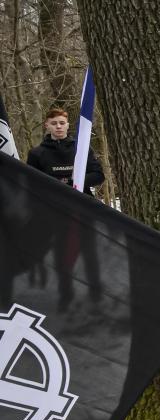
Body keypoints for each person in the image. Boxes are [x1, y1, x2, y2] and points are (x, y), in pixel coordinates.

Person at [26, 107, 105, 311]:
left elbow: (98, 175)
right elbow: (31, 184)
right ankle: (65, 295)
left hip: (83, 210)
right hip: (55, 212)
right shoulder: (37, 153)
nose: (58, 127)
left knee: (90, 252)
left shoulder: (81, 148)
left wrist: (74, 182)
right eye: (54, 123)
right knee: (62, 254)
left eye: (62, 123)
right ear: (47, 125)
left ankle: (96, 294)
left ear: (68, 125)